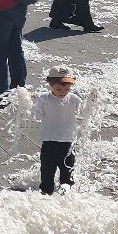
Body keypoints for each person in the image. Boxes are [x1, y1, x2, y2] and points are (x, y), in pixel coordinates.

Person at [32, 66, 87, 195]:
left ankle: (66, 190)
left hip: (68, 141)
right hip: (49, 141)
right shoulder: (44, 98)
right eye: (59, 89)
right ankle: (46, 191)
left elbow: (84, 114)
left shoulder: (74, 99)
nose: (63, 92)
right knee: (47, 171)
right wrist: (34, 105)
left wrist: (92, 101)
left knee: (67, 170)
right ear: (50, 84)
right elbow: (37, 116)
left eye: (67, 89)